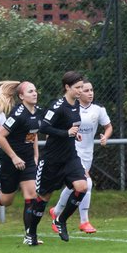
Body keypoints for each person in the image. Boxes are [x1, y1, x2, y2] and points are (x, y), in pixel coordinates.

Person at [30, 71, 90, 243]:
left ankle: (61, 220)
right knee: (43, 197)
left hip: (70, 156)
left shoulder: (76, 105)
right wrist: (66, 133)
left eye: (81, 87)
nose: (80, 90)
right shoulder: (57, 106)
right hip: (52, 159)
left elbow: (70, 127)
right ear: (67, 87)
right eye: (77, 88)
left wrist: (73, 134)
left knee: (82, 187)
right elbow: (44, 127)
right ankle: (31, 234)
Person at [50, 79, 111, 234]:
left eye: (91, 90)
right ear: (78, 92)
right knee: (87, 183)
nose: (90, 93)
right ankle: (84, 221)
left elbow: (108, 126)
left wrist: (105, 137)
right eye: (85, 90)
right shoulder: (70, 108)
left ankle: (56, 212)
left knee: (74, 187)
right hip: (72, 152)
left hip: (87, 154)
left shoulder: (98, 109)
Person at [0, 80, 42, 245]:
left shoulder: (37, 112)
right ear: (21, 96)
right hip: (8, 160)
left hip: (27, 160)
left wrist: (35, 154)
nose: (34, 93)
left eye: (35, 90)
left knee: (32, 195)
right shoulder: (17, 114)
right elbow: (0, 136)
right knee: (6, 201)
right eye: (30, 91)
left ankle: (30, 236)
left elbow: (33, 134)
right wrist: (14, 157)